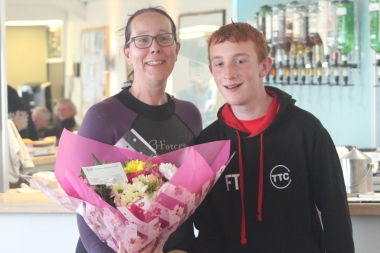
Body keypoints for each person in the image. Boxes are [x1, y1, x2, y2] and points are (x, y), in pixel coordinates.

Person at [191, 23, 355, 253]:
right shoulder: (208, 143)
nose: (228, 72)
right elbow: (205, 226)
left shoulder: (306, 131)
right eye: (219, 63)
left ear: (264, 66)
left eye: (240, 60)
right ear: (211, 70)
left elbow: (335, 213)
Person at [75, 7, 202, 253]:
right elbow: (86, 206)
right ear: (127, 53)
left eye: (164, 38)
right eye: (142, 40)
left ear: (177, 49)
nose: (155, 47)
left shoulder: (189, 115)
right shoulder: (104, 116)